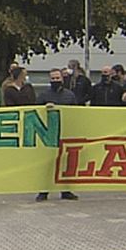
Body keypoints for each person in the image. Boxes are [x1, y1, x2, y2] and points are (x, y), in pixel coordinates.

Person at [36, 69, 79, 202]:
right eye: (53, 78)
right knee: (47, 164)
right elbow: (36, 112)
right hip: (48, 134)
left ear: (62, 78)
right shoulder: (43, 95)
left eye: (57, 78)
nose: (55, 81)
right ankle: (43, 191)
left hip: (65, 132)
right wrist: (45, 108)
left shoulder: (70, 95)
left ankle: (65, 190)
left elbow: (76, 113)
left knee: (65, 163)